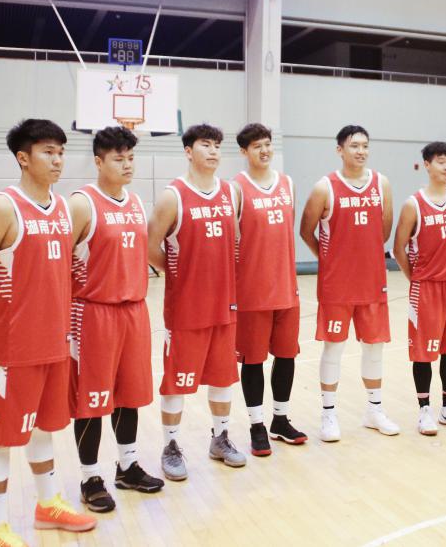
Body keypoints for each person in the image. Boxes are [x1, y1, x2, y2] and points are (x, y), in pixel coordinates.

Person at [0, 119, 96, 546]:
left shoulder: (64, 209)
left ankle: (47, 505)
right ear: (23, 158)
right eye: (47, 152)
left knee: (44, 428)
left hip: (55, 342)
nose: (58, 160)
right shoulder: (2, 208)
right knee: (1, 437)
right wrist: (5, 317)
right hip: (15, 348)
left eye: (61, 152)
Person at [69, 127, 163, 512]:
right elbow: (58, 263)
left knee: (130, 393)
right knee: (91, 400)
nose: (127, 165)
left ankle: (127, 466)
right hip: (94, 312)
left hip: (134, 310)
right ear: (98, 161)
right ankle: (90, 477)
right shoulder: (82, 204)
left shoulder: (136, 202)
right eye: (118, 159)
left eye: (131, 158)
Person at [149, 124, 245, 481]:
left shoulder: (231, 192)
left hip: (224, 304)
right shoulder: (172, 196)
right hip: (186, 309)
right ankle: (171, 445)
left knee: (222, 377)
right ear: (188, 151)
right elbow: (149, 246)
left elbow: (235, 240)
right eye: (205, 145)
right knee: (177, 381)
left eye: (217, 145)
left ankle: (220, 438)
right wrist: (179, 272)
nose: (214, 151)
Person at [300, 125, 399, 441]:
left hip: (372, 281)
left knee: (374, 348)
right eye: (354, 145)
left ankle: (374, 410)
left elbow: (384, 232)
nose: (361, 151)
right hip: (337, 285)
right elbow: (306, 230)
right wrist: (329, 259)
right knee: (334, 348)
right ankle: (329, 414)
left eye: (365, 145)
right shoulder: (324, 187)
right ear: (340, 150)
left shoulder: (381, 183)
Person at [233, 123, 307, 458]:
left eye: (267, 144)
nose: (264, 150)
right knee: (253, 360)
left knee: (287, 355)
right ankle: (256, 425)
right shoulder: (236, 188)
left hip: (287, 288)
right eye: (256, 146)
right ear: (244, 152)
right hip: (252, 291)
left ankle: (280, 419)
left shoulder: (288, 183)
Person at [393, 142, 446, 434]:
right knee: (423, 352)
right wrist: (416, 277)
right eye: (441, 161)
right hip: (425, 288)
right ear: (427, 165)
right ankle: (424, 410)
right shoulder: (413, 204)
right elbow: (398, 248)